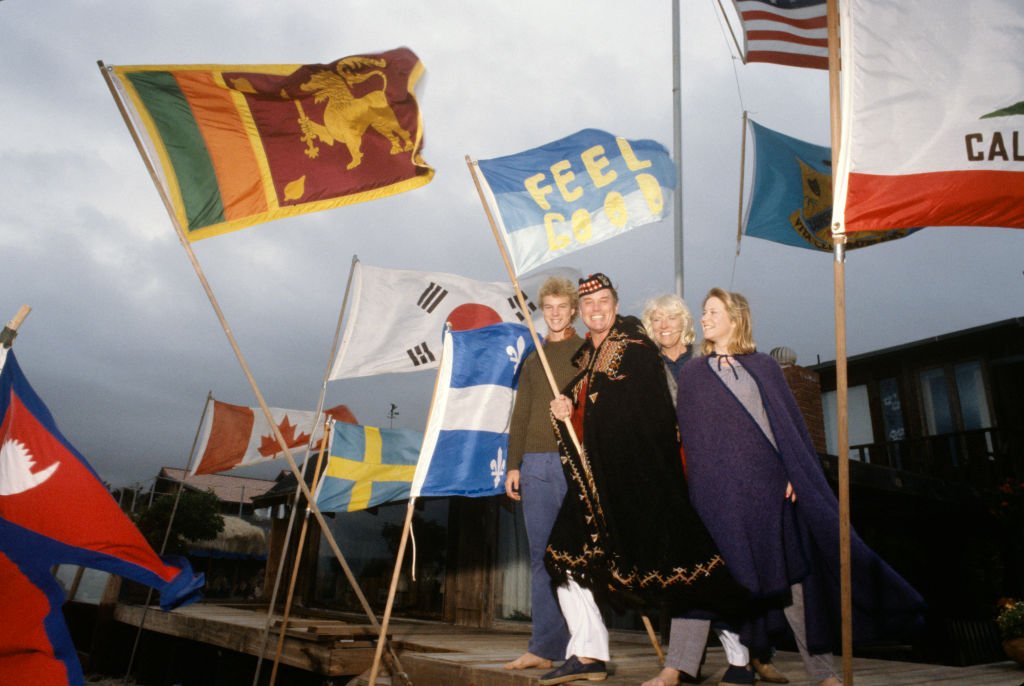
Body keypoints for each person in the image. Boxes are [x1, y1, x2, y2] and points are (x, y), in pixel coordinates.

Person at [676, 288, 925, 686]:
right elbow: (692, 439)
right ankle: (678, 667)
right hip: (716, 496)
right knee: (703, 577)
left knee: (793, 583)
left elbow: (787, 429)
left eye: (712, 311)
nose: (703, 318)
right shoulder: (692, 375)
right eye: (703, 311)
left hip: (768, 489)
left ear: (735, 318)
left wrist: (797, 473)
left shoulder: (764, 367)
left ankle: (823, 672)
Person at [542, 274, 743, 686]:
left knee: (687, 568)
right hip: (597, 483)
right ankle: (589, 654)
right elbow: (590, 413)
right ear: (581, 313)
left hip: (645, 481)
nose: (596, 309)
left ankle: (742, 651)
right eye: (589, 304)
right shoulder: (587, 358)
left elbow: (646, 414)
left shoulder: (635, 348)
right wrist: (568, 407)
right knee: (563, 557)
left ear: (615, 304)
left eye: (603, 300)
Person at [640, 294, 789, 686]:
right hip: (675, 479)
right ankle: (687, 662)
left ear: (685, 325)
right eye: (656, 321)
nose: (663, 327)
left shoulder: (702, 364)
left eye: (671, 319)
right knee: (691, 569)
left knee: (736, 561)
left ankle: (752, 654)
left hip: (717, 474)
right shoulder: (648, 370)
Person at [503, 276, 582, 672]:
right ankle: (542, 646)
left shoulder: (586, 352)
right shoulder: (533, 358)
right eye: (548, 307)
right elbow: (520, 414)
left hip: (573, 463)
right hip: (534, 464)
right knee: (541, 558)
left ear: (573, 310)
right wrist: (513, 464)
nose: (554, 314)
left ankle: (582, 646)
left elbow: (598, 409)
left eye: (561, 307)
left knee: (578, 557)